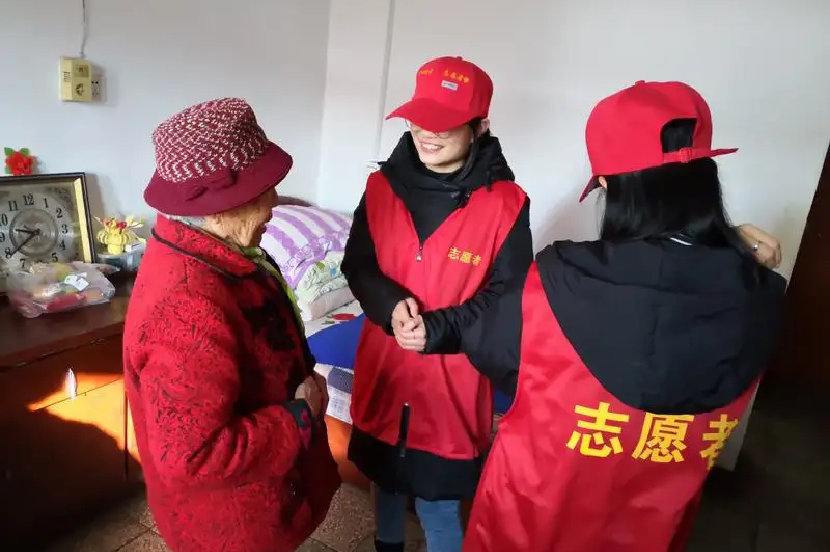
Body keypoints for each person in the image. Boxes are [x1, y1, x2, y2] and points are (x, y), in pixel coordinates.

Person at [458, 81, 787, 552]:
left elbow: (486, 344)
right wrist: (728, 246)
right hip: (648, 531)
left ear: (608, 184)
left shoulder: (559, 278)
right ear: (705, 172)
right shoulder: (760, 294)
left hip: (532, 521)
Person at [123, 98, 341, 552]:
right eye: (263, 190)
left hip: (263, 497)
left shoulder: (215, 250)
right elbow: (193, 455)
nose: (274, 202)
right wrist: (300, 415)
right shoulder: (186, 305)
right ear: (216, 208)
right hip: (235, 525)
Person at [341, 56, 533, 552]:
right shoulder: (379, 187)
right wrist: (388, 304)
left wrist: (441, 328)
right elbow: (358, 262)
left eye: (445, 123)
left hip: (453, 380)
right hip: (384, 366)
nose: (428, 132)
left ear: (480, 126)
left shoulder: (506, 203)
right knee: (385, 481)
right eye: (420, 117)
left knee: (439, 502)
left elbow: (508, 298)